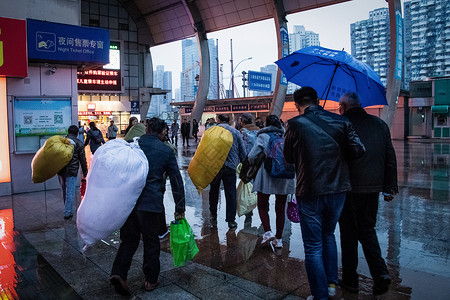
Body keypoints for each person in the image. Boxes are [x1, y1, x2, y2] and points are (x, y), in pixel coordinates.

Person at [284, 87, 365, 300]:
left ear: (296, 104)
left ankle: (320, 296)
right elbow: (358, 150)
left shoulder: (294, 124)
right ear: (318, 100)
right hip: (338, 189)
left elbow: (289, 158)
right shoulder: (342, 121)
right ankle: (331, 285)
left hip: (309, 189)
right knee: (328, 235)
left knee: (312, 246)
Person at [110, 117, 185, 296]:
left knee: (129, 240)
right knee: (151, 242)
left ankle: (118, 273)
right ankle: (151, 280)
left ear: (146, 129)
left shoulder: (131, 145)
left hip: (129, 202)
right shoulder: (165, 151)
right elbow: (176, 181)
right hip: (151, 204)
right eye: (165, 131)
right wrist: (180, 207)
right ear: (162, 132)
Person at [337, 92, 398, 296]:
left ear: (344, 106)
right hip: (372, 188)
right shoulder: (379, 124)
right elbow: (390, 156)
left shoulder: (340, 123)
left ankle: (350, 280)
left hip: (347, 187)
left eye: (339, 106)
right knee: (367, 230)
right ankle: (380, 273)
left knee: (348, 234)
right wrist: (389, 186)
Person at [248, 115, 295, 249]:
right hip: (285, 175)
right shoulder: (287, 136)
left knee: (262, 204)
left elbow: (252, 156)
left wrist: (253, 163)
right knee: (280, 208)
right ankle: (279, 239)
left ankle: (268, 232)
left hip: (267, 174)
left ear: (266, 124)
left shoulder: (263, 136)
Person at [209, 114, 246, 229]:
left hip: (214, 167)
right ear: (229, 120)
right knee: (230, 193)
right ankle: (231, 220)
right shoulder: (235, 132)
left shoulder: (211, 131)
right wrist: (244, 164)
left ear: (218, 120)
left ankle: (213, 215)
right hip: (230, 167)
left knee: (214, 191)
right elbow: (242, 152)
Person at [58, 125, 88, 220]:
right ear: (76, 133)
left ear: (68, 131)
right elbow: (82, 159)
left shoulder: (62, 141)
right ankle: (67, 212)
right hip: (72, 170)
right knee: (70, 192)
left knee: (64, 190)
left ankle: (67, 208)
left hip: (60, 170)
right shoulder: (79, 143)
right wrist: (85, 172)